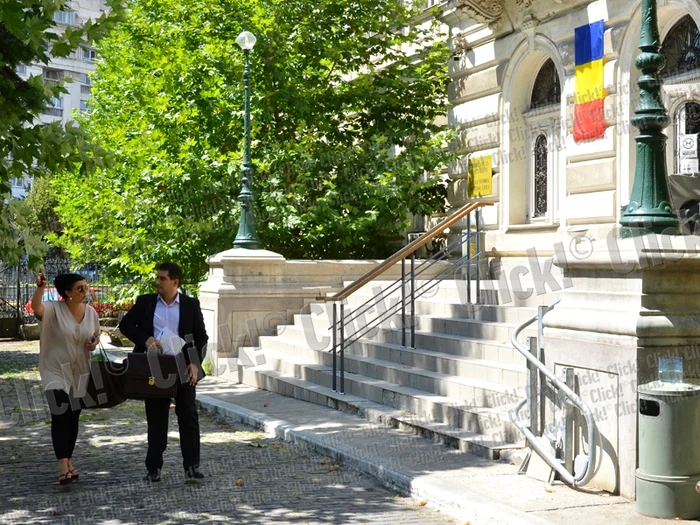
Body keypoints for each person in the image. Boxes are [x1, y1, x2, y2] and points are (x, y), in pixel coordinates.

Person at [119, 262, 209, 483]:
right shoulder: (146, 302)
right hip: (154, 366)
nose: (157, 282)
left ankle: (191, 466)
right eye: (157, 278)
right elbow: (126, 325)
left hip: (183, 366)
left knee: (188, 416)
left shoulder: (190, 305)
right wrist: (146, 339)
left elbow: (201, 338)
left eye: (162, 278)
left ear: (175, 282)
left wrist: (195, 364)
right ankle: (154, 468)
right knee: (156, 417)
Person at [32, 271, 100, 485]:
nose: (85, 291)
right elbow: (37, 308)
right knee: (60, 414)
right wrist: (41, 289)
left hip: (80, 371)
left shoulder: (91, 313)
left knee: (73, 417)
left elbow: (95, 336)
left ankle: (69, 459)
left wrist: (93, 343)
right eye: (80, 288)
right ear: (67, 293)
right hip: (54, 370)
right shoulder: (53, 310)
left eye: (85, 287)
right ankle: (62, 464)